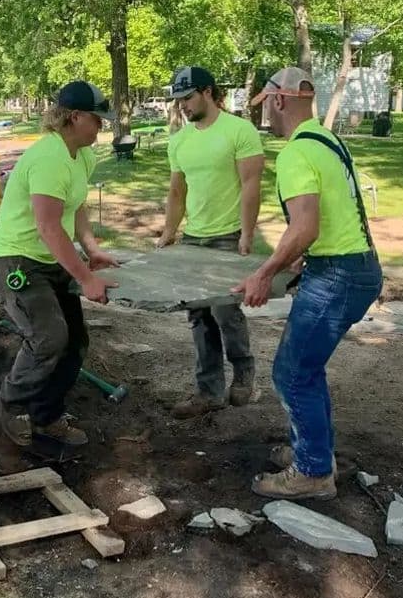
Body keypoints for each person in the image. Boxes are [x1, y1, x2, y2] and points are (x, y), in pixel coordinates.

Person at [234, 66, 382, 500]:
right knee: (305, 368)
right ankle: (313, 451)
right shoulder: (327, 140)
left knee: (293, 373)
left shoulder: (297, 153)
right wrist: (293, 267)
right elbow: (335, 218)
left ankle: (314, 472)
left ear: (279, 101)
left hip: (337, 274)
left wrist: (264, 273)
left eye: (265, 107)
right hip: (354, 267)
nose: (265, 117)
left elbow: (305, 227)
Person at [0, 81, 120, 448]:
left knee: (74, 342)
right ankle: (11, 405)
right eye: (97, 119)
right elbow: (47, 227)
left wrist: (91, 249)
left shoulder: (83, 155)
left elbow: (74, 207)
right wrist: (86, 277)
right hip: (16, 260)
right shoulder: (48, 159)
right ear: (74, 117)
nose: (101, 126)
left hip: (50, 258)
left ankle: (47, 416)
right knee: (48, 337)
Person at [158, 66, 266, 418]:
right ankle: (209, 391)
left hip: (227, 235)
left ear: (207, 92)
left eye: (187, 98)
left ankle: (244, 375)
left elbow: (251, 184)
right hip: (193, 238)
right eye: (178, 100)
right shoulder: (180, 140)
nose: (182, 106)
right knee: (199, 315)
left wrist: (247, 234)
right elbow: (177, 191)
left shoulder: (239, 131)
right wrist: (168, 232)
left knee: (225, 311)